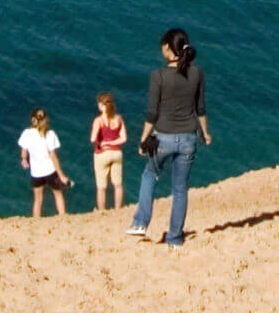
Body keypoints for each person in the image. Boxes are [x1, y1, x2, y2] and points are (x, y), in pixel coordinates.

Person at [128, 27, 209, 246]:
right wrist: (205, 133)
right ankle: (175, 238)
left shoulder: (159, 76)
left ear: (167, 48)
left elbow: (152, 114)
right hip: (189, 138)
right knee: (180, 189)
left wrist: (143, 139)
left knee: (150, 175)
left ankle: (140, 222)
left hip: (162, 137)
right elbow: (200, 108)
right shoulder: (197, 73)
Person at [18, 107, 70, 216]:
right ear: (46, 119)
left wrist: (24, 160)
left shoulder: (27, 133)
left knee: (38, 199)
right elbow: (53, 156)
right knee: (58, 194)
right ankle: (63, 217)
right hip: (50, 171)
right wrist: (61, 175)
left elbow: (24, 151)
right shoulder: (50, 134)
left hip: (36, 173)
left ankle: (36, 221)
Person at [89, 92, 127, 211]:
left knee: (101, 187)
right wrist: (112, 143)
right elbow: (124, 138)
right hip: (117, 153)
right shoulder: (118, 118)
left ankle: (101, 211)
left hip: (102, 154)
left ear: (101, 105)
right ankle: (118, 209)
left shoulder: (98, 120)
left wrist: (102, 144)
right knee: (118, 184)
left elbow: (93, 139)